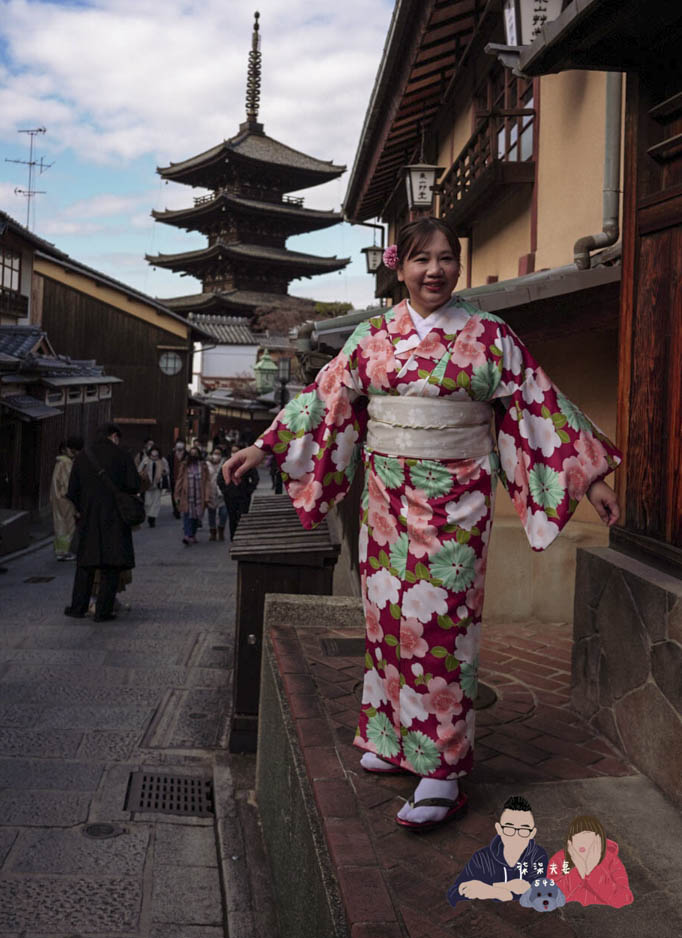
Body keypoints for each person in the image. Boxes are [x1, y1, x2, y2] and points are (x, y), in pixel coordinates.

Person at [224, 217, 621, 829]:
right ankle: (392, 739)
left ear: (457, 267)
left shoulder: (490, 335)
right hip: (384, 501)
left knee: (439, 628)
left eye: (445, 259)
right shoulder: (373, 336)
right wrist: (267, 446)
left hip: (458, 503)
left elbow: (535, 404)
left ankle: (444, 769)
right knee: (385, 624)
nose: (434, 270)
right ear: (398, 267)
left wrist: (589, 478)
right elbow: (327, 395)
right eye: (421, 259)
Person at [64, 421, 141, 622]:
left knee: (85, 565)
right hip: (115, 518)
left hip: (88, 518)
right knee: (111, 565)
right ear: (114, 436)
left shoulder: (82, 457)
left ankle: (78, 607)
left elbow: (71, 491)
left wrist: (83, 508)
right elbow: (134, 485)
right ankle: (103, 611)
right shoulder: (122, 455)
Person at [448, 796, 547, 904]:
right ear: (499, 829)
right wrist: (499, 891)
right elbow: (453, 894)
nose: (516, 836)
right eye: (509, 828)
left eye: (524, 830)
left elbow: (539, 895)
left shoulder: (538, 856)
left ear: (532, 833)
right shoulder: (482, 858)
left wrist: (490, 889)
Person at [548, 814, 633, 907]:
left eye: (586, 835)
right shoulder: (559, 859)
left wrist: (593, 870)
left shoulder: (612, 861)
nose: (581, 841)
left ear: (598, 839)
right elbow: (549, 897)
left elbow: (623, 899)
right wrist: (578, 871)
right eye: (576, 836)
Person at [217, 443, 259, 539]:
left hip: (243, 495)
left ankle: (243, 536)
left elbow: (255, 478)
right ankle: (233, 537)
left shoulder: (247, 464)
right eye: (233, 451)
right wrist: (226, 490)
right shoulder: (227, 464)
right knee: (232, 517)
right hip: (230, 496)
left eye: (236, 451)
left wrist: (249, 490)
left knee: (243, 517)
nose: (234, 453)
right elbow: (220, 479)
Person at [50, 436, 82, 560]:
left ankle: (60, 550)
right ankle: (64, 552)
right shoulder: (66, 463)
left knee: (59, 525)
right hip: (65, 499)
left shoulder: (60, 462)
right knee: (68, 526)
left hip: (57, 498)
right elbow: (68, 483)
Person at [175, 443, 209, 545]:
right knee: (186, 514)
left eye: (195, 453)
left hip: (199, 495)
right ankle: (187, 535)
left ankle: (192, 535)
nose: (193, 455)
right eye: (192, 453)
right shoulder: (185, 465)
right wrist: (177, 494)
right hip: (187, 495)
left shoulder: (203, 466)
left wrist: (207, 496)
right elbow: (180, 479)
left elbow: (207, 481)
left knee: (196, 516)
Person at [140, 445, 169, 527]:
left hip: (158, 484)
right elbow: (139, 470)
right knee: (148, 502)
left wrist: (164, 472)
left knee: (156, 503)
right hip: (148, 485)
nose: (154, 458)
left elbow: (167, 470)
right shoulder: (146, 460)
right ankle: (149, 515)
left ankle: (152, 519)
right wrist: (143, 472)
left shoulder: (162, 460)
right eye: (153, 456)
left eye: (156, 456)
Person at [204, 447, 228, 540]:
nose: (216, 455)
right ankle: (213, 532)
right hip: (210, 491)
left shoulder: (225, 464)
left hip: (222, 492)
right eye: (214, 453)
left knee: (224, 513)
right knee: (211, 513)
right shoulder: (206, 464)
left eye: (218, 453)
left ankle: (221, 529)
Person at [169, 439, 186, 518]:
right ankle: (176, 510)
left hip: (183, 479)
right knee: (174, 494)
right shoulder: (171, 455)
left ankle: (180, 508)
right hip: (174, 478)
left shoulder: (187, 455)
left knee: (183, 494)